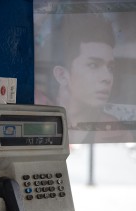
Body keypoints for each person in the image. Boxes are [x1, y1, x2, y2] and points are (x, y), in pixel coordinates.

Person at [35, 14, 133, 143]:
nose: (107, 78)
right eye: (93, 65)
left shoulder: (117, 133)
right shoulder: (38, 122)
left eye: (110, 68)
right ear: (62, 75)